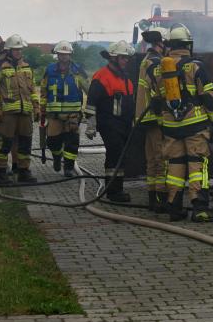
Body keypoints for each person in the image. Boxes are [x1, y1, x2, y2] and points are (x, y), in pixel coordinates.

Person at [155, 24, 213, 222]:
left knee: (174, 167)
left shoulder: (161, 69)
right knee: (197, 167)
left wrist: (164, 124)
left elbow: (157, 100)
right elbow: (209, 99)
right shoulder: (195, 66)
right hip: (195, 126)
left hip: (170, 127)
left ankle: (174, 209)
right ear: (188, 44)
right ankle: (200, 209)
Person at [84, 40, 136, 202]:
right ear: (113, 58)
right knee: (114, 155)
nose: (126, 61)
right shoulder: (101, 77)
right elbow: (91, 103)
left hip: (124, 124)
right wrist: (91, 125)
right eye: (123, 58)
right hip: (109, 124)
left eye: (127, 58)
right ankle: (113, 192)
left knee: (121, 156)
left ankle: (116, 188)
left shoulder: (125, 78)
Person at [0, 34, 40, 184]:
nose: (18, 52)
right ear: (9, 50)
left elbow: (32, 90)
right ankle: (1, 174)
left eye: (20, 49)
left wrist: (36, 108)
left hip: (25, 113)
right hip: (7, 114)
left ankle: (23, 172)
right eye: (15, 49)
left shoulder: (26, 66)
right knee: (4, 144)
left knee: (25, 144)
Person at [40, 40, 89, 177]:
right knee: (52, 141)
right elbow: (43, 91)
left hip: (72, 115)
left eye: (66, 54)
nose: (63, 57)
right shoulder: (49, 70)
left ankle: (68, 167)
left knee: (72, 142)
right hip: (54, 115)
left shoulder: (78, 71)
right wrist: (41, 109)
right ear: (57, 55)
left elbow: (89, 89)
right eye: (61, 54)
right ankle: (57, 157)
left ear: (70, 55)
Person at [135, 27, 170, 212]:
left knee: (151, 159)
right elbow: (161, 92)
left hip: (145, 118)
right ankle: (160, 199)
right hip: (156, 119)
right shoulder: (156, 63)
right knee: (160, 159)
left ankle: (152, 198)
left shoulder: (145, 60)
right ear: (160, 43)